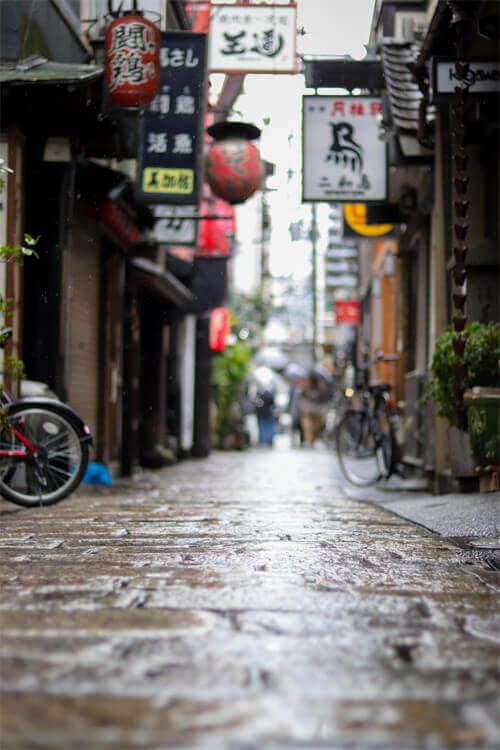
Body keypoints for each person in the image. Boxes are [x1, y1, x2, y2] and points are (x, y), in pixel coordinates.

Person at [298, 373, 328, 445]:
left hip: (317, 410)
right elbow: (301, 397)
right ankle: (309, 440)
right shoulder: (305, 387)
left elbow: (324, 397)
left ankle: (312, 440)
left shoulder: (320, 387)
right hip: (307, 410)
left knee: (316, 427)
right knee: (307, 427)